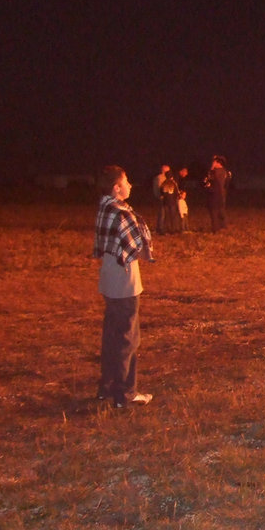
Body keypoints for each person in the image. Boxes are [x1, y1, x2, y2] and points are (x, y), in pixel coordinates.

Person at [93, 166, 155, 408]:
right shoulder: (121, 212)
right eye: (126, 181)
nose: (130, 185)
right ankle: (126, 393)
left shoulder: (104, 207)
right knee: (128, 337)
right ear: (116, 188)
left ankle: (107, 386)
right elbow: (136, 245)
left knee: (111, 334)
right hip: (124, 279)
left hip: (109, 276)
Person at [204, 155, 231, 232]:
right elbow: (227, 184)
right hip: (222, 194)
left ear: (218, 163)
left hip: (214, 194)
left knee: (214, 211)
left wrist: (212, 168)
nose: (212, 163)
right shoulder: (226, 172)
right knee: (221, 210)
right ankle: (223, 226)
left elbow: (207, 181)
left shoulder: (214, 172)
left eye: (214, 161)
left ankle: (216, 228)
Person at [152, 164, 171, 234]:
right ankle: (160, 228)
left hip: (165, 198)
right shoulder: (160, 178)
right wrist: (161, 196)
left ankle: (163, 228)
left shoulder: (164, 178)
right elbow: (159, 188)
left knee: (165, 213)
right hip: (162, 198)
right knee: (162, 214)